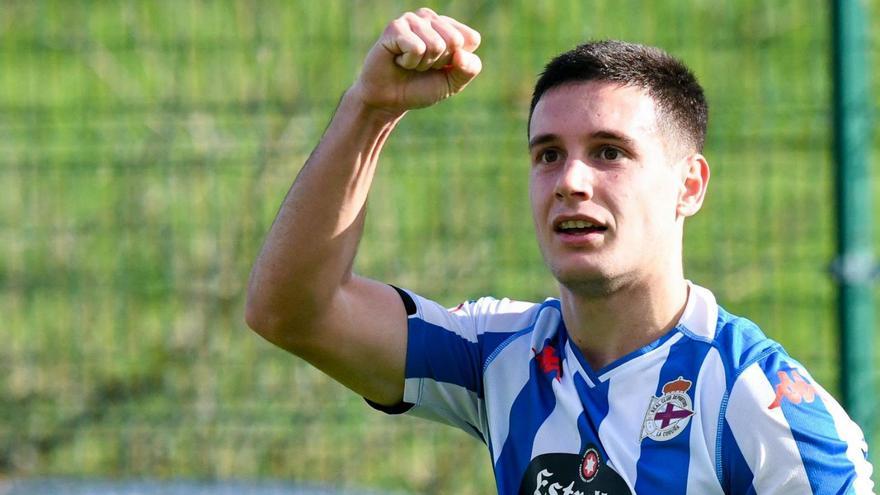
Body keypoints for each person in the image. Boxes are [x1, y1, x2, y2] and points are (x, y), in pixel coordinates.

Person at [245, 7, 874, 494]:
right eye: (548, 154)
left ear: (689, 186)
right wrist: (371, 109)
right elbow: (295, 312)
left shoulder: (760, 402)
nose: (571, 180)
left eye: (609, 152)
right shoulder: (499, 357)